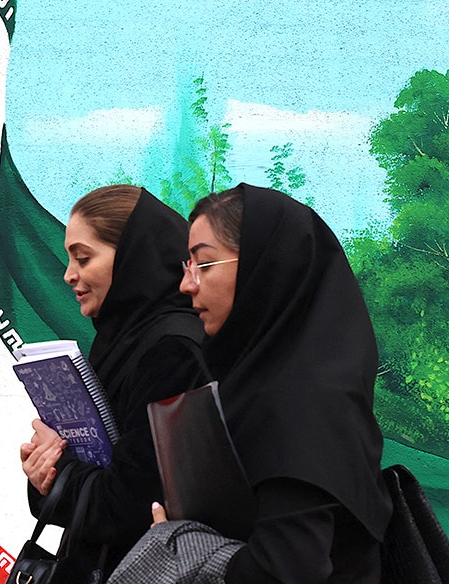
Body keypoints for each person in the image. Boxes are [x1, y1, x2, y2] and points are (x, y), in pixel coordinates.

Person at [108, 184, 393, 584]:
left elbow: (284, 571)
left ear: (267, 267)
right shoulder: (260, 380)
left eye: (205, 264)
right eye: (187, 265)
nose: (187, 284)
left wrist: (178, 547)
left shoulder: (300, 403)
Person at [20, 185, 206, 582]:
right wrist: (44, 471)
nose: (69, 274)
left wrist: (59, 473)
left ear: (132, 258)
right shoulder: (121, 342)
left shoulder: (173, 351)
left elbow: (132, 502)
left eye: (83, 257)